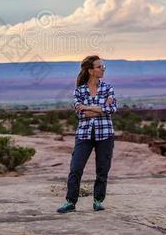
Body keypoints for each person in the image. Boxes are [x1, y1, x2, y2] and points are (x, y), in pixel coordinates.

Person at [57, 54, 117, 213]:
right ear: (90, 70)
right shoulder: (79, 90)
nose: (103, 69)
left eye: (103, 66)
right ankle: (70, 202)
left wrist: (88, 107)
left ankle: (98, 201)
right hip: (84, 134)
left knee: (102, 170)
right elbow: (80, 114)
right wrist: (100, 109)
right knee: (75, 168)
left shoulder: (108, 88)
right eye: (99, 67)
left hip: (105, 134)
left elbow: (112, 109)